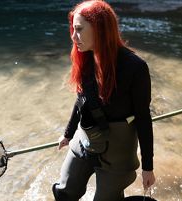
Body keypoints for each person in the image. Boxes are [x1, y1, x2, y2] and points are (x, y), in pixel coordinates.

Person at [52, 1, 156, 201]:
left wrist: (147, 167)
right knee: (65, 192)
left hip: (118, 151)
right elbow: (82, 98)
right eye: (73, 29)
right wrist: (68, 134)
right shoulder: (85, 57)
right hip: (85, 140)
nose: (74, 37)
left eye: (79, 29)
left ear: (100, 29)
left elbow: (143, 118)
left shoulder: (136, 67)